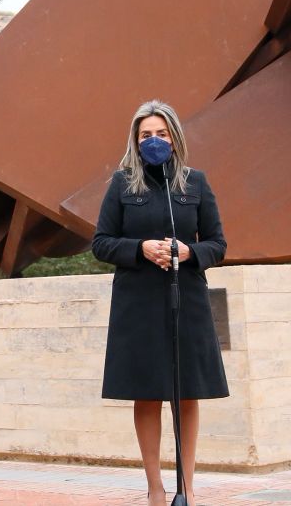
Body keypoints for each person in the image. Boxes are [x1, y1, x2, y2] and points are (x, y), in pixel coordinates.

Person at [91, 100, 228, 506]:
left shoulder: (196, 184)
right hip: (139, 305)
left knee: (187, 394)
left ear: (175, 138)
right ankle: (155, 488)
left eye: (161, 133)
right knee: (147, 394)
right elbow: (100, 243)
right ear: (135, 140)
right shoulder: (121, 184)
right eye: (146, 134)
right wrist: (140, 248)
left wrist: (190, 253)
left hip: (186, 299)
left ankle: (186, 487)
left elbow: (218, 243)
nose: (154, 140)